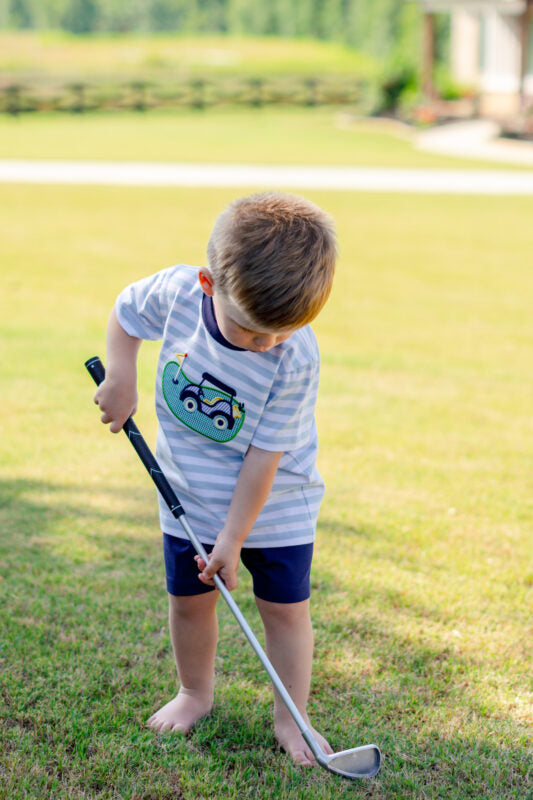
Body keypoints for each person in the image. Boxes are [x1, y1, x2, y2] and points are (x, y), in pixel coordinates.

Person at [93, 192, 337, 767]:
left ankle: (291, 719)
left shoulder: (294, 355)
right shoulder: (178, 292)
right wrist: (122, 374)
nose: (266, 345)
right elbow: (127, 313)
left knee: (284, 610)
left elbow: (263, 457)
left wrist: (233, 539)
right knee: (190, 600)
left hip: (276, 501)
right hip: (188, 492)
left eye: (281, 333)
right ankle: (194, 693)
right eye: (253, 332)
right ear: (208, 284)